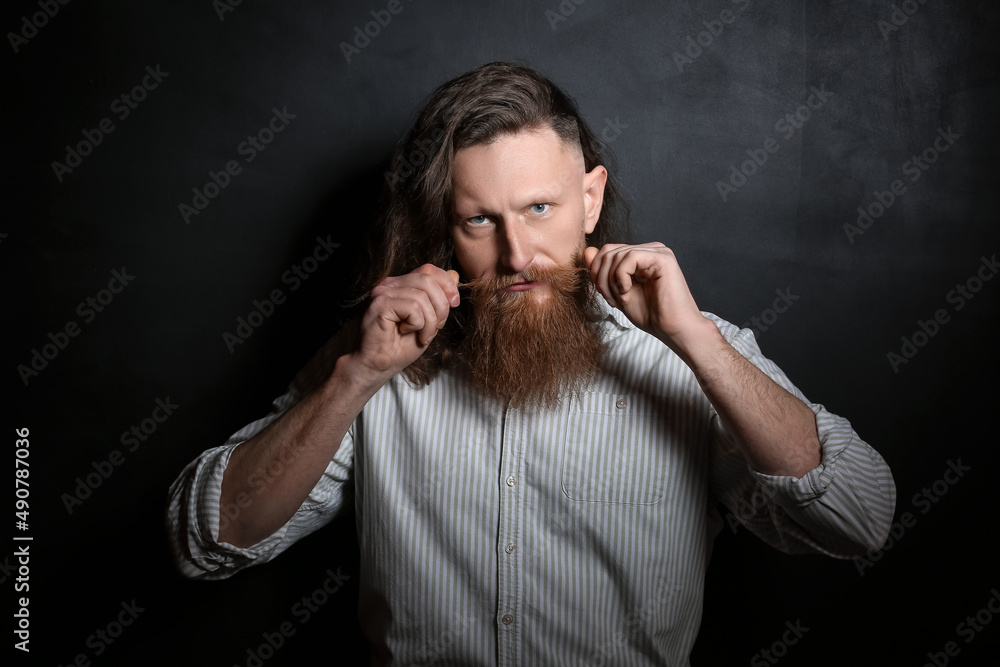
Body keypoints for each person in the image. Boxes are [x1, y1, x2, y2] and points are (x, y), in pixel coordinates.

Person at [167, 62, 896, 665]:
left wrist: (697, 342)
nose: (518, 256)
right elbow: (205, 542)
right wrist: (356, 375)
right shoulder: (376, 358)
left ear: (590, 199)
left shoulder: (687, 353)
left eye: (540, 209)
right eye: (480, 220)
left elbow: (860, 517)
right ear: (447, 231)